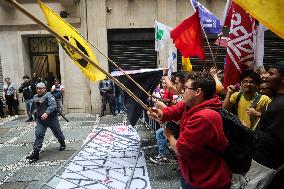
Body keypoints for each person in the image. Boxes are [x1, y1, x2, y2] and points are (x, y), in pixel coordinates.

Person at [148, 72, 231, 189]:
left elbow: (180, 149)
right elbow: (175, 110)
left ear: (198, 92)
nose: (182, 91)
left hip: (207, 180)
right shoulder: (193, 104)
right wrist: (161, 114)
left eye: (186, 88)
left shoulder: (204, 117)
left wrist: (170, 136)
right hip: (191, 173)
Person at [241, 60, 284, 188]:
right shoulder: (276, 100)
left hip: (266, 164)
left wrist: (247, 133)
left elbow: (274, 140)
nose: (265, 77)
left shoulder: (280, 105)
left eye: (271, 74)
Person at [26, 82, 66, 163]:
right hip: (41, 120)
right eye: (37, 88)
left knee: (57, 132)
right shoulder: (35, 97)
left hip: (52, 119)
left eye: (40, 88)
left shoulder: (49, 96)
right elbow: (33, 107)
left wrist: (46, 113)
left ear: (44, 89)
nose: (38, 90)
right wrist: (32, 113)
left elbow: (53, 105)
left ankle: (62, 143)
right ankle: (36, 153)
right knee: (39, 134)